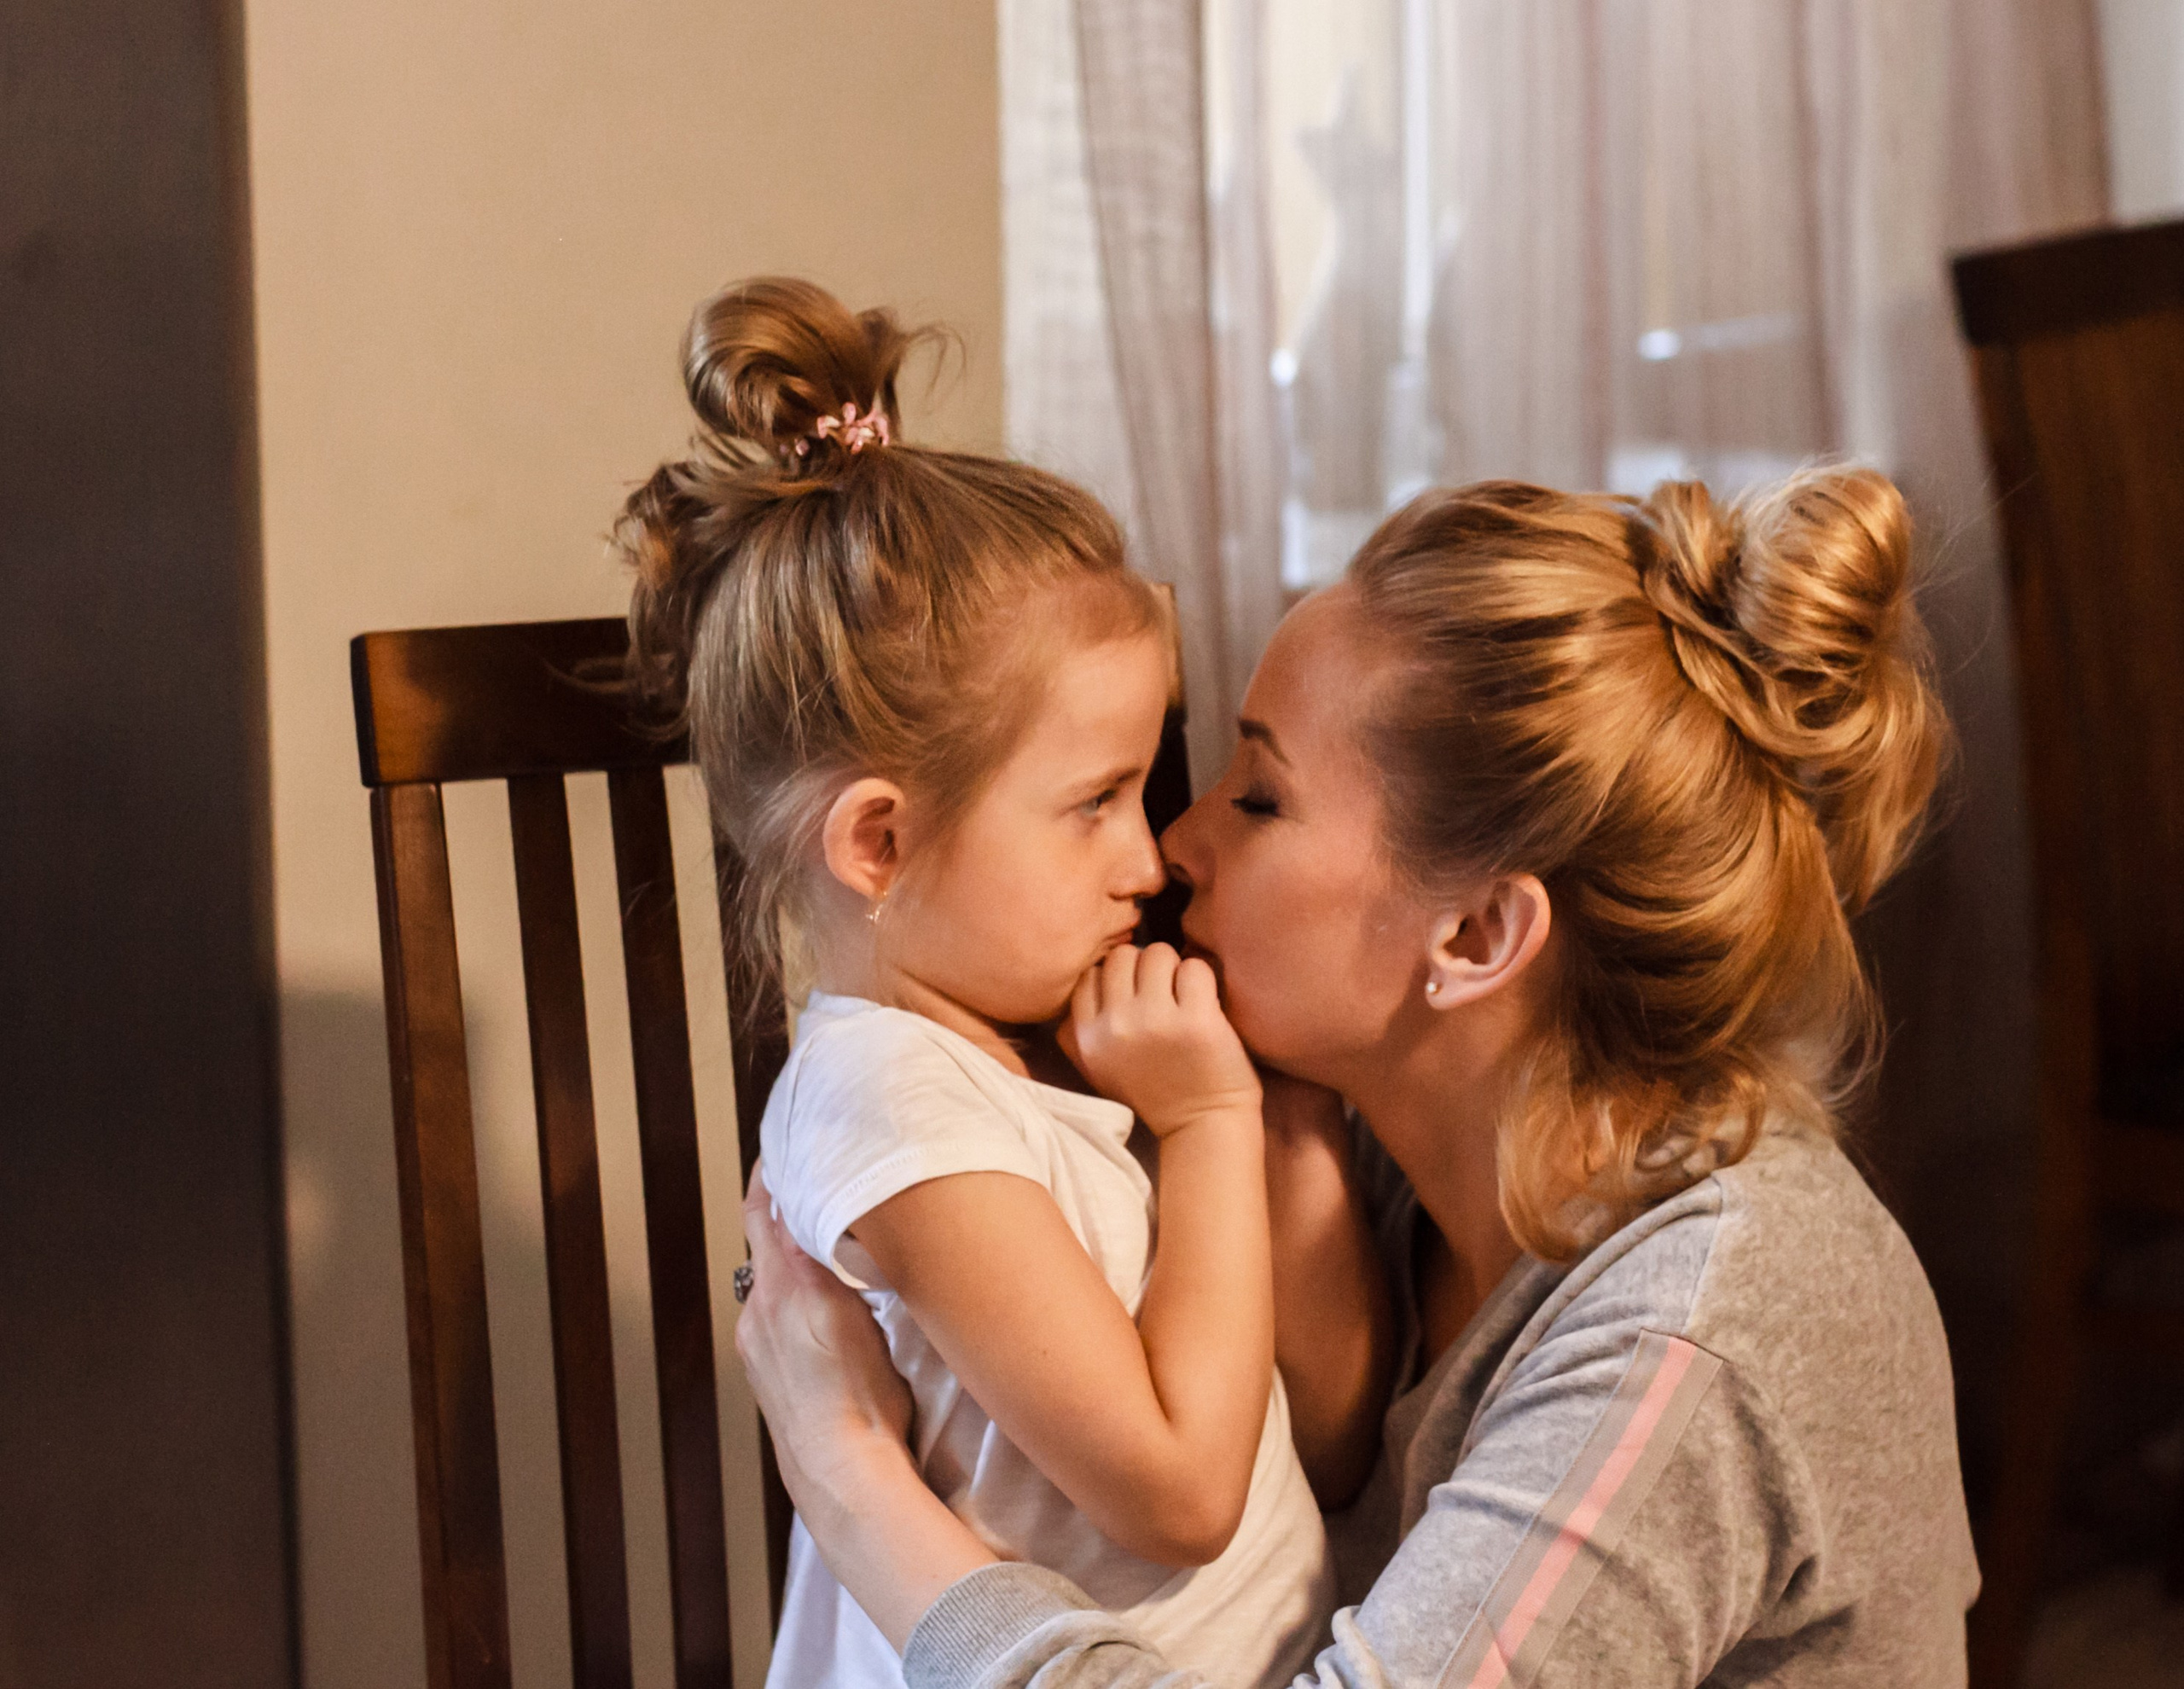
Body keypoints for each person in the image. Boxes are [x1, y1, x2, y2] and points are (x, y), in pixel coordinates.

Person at [733, 468, 1984, 1686]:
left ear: (1476, 939)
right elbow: (1319, 1466)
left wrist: (852, 1484)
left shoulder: (1698, 1330)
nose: (1175, 842)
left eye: (1262, 798)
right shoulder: (1380, 1138)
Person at [617, 277, 1336, 1689]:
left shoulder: (1014, 1043)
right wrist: (1208, 1127)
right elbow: (1181, 1495)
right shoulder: (897, 1117)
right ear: (881, 840)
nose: (1151, 855)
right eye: (1096, 802)